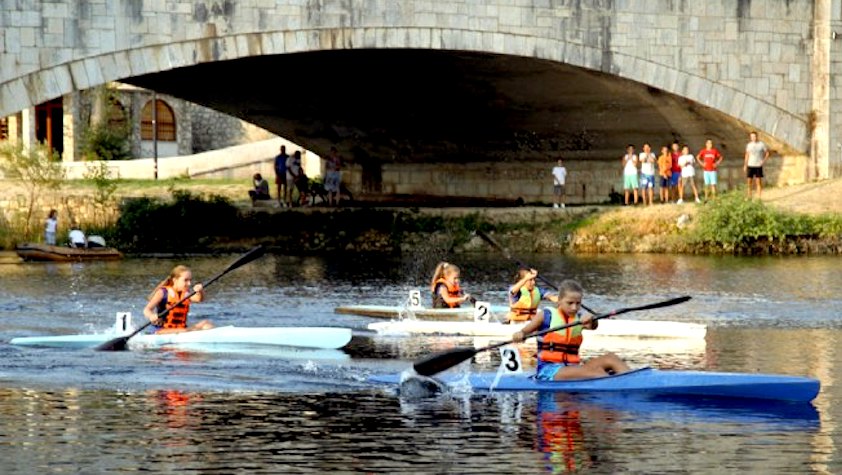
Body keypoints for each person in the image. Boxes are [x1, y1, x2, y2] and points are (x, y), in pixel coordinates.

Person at [512, 279, 629, 380]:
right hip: (549, 370)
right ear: (559, 300)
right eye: (570, 303)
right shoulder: (546, 315)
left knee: (611, 358)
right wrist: (520, 334)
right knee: (596, 373)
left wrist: (592, 319)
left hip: (573, 366)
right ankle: (614, 382)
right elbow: (524, 332)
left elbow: (593, 326)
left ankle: (631, 380)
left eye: (578, 303)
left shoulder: (580, 318)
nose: (574, 307)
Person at [143, 265, 212, 334]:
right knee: (186, 331)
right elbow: (147, 309)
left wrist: (200, 291)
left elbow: (199, 299)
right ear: (175, 280)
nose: (189, 284)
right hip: (162, 330)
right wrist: (151, 316)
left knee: (206, 324)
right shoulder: (162, 292)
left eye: (190, 280)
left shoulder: (186, 294)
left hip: (181, 329)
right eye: (185, 280)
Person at [744, 131, 769, 199]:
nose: (753, 138)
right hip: (750, 165)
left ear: (757, 136)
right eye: (751, 137)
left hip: (758, 165)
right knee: (749, 182)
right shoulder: (749, 145)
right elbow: (747, 155)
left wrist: (763, 161)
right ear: (750, 137)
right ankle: (749, 196)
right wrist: (745, 165)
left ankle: (759, 198)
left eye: (754, 136)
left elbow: (767, 153)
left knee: (758, 182)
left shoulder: (761, 144)